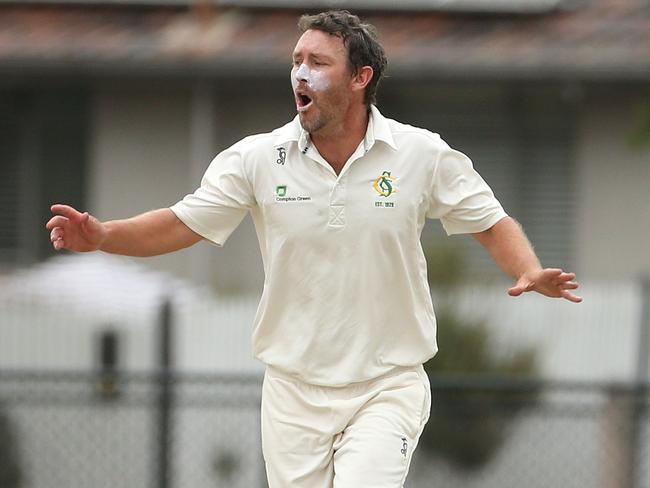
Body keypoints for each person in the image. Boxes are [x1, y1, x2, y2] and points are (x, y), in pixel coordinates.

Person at [46, 10, 581, 488]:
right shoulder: (255, 158)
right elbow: (184, 223)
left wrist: (528, 269)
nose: (300, 73)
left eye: (318, 62)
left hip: (386, 384)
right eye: (296, 60)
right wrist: (104, 236)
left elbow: (490, 221)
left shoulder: (420, 153)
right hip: (293, 391)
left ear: (359, 78)